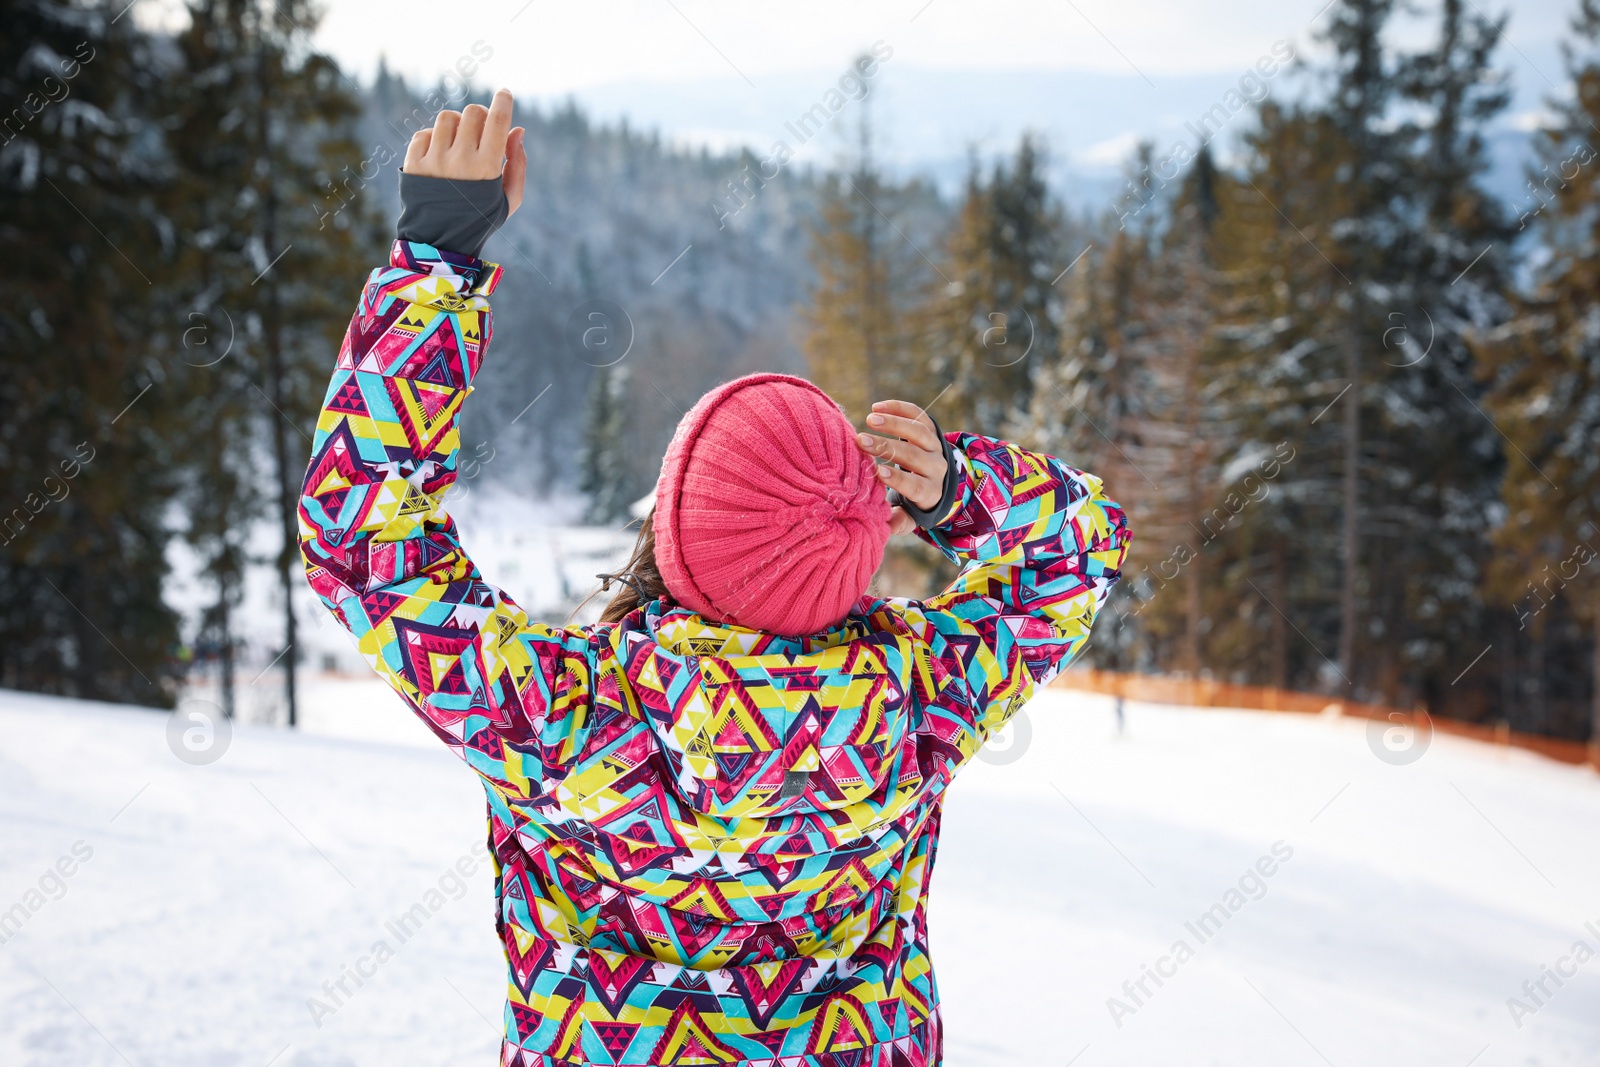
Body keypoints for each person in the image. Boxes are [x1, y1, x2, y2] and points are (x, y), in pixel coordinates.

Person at [299, 88, 1131, 1067]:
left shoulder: (563, 716)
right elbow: (1077, 553)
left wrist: (436, 258)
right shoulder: (918, 704)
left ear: (670, 536)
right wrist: (962, 492)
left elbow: (359, 538)